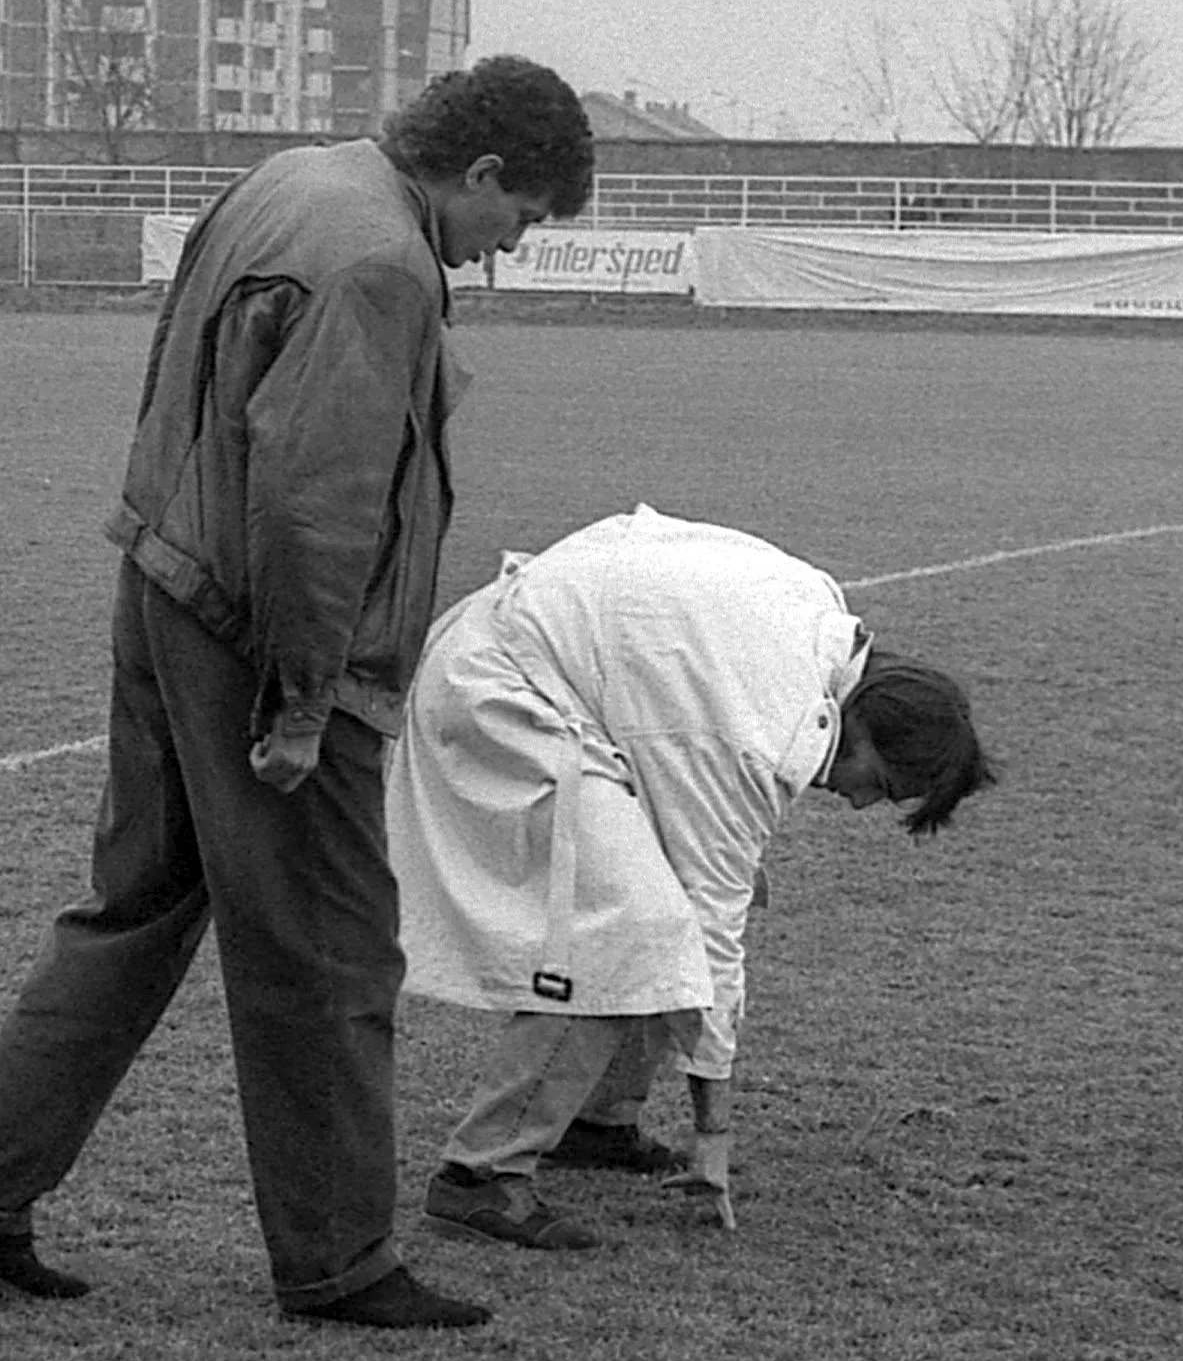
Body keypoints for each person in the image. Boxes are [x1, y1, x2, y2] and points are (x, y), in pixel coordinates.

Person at [0, 55, 596, 1329]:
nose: (504, 252)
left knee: (138, 907)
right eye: (520, 217)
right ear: (482, 171)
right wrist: (298, 697)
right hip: (262, 629)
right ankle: (338, 1260)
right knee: (328, 948)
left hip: (164, 580)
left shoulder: (292, 180)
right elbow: (314, 499)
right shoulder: (382, 261)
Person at [390, 506, 994, 1250]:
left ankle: (597, 1124)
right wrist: (715, 1126)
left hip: (553, 666)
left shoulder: (820, 617)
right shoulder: (761, 734)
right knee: (630, 929)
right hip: (503, 685)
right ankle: (476, 1177)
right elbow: (713, 930)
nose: (864, 800)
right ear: (870, 726)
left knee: (656, 909)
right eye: (885, 782)